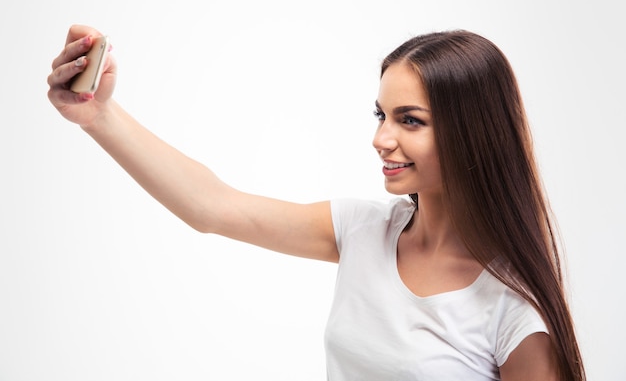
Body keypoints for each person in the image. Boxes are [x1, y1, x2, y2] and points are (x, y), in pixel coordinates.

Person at [47, 25, 586, 381]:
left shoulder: (513, 310)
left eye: (410, 120)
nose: (381, 139)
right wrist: (98, 117)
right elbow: (214, 207)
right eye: (381, 115)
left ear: (473, 134)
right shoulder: (363, 231)